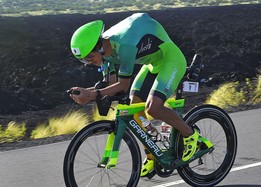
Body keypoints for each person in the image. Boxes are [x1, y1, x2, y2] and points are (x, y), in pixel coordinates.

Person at [69, 13, 199, 177]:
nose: (88, 63)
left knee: (153, 107)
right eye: (84, 60)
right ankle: (154, 154)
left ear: (99, 47)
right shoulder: (106, 52)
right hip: (151, 65)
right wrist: (87, 92)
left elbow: (123, 84)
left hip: (170, 60)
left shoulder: (124, 46)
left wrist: (91, 95)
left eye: (89, 57)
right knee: (135, 106)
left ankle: (190, 135)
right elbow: (111, 86)